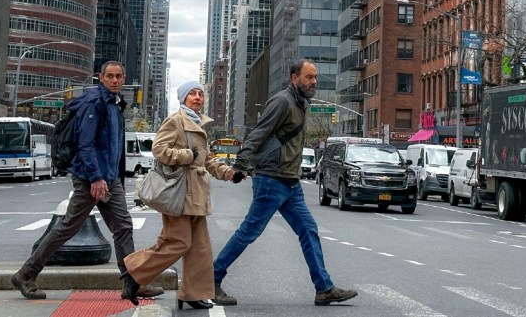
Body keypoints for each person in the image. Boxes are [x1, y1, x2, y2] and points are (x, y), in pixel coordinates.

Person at [11, 61, 163, 301]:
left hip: (108, 179)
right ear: (101, 78)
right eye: (110, 76)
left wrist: (118, 180)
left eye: (119, 76)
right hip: (90, 178)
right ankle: (26, 274)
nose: (115, 80)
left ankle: (131, 284)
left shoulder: (114, 105)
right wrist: (95, 178)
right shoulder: (95, 103)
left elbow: (115, 149)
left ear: (124, 79)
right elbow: (85, 144)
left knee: (123, 227)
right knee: (67, 228)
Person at [212, 59, 357, 307]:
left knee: (308, 230)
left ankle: (323, 288)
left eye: (315, 77)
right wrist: (240, 164)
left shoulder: (300, 103)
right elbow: (258, 133)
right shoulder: (282, 102)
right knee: (249, 232)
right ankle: (211, 279)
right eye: (309, 77)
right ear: (294, 78)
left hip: (290, 181)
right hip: (271, 179)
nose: (314, 82)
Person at [120, 81, 235, 309]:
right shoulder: (176, 120)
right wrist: (186, 156)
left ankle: (193, 293)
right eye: (192, 94)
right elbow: (159, 149)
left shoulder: (199, 124)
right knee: (179, 242)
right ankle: (134, 272)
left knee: (199, 248)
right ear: (183, 99)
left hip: (196, 194)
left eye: (200, 94)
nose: (197, 97)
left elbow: (207, 159)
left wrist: (228, 173)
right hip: (180, 192)